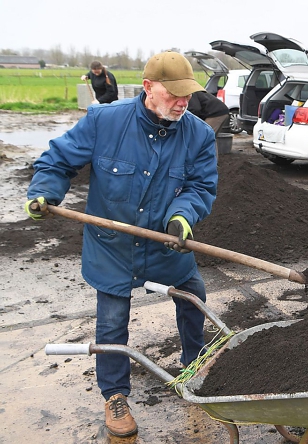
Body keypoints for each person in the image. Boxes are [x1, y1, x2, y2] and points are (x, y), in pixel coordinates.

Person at [25, 51, 217, 439]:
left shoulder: (199, 134)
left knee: (194, 298)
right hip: (112, 247)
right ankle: (115, 395)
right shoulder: (104, 121)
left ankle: (194, 363)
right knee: (112, 322)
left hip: (165, 246)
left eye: (187, 95)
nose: (183, 103)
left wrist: (182, 217)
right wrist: (45, 192)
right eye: (173, 95)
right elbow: (58, 160)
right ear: (148, 88)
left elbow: (200, 186)